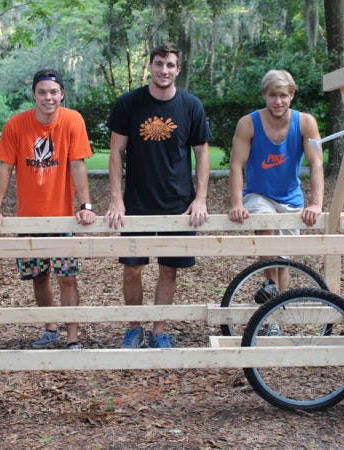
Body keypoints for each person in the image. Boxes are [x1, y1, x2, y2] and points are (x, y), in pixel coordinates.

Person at [104, 43, 211, 349]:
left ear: (178, 70)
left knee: (168, 268)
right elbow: (115, 153)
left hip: (177, 202)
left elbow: (202, 154)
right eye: (159, 63)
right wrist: (116, 199)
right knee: (132, 268)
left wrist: (200, 198)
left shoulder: (191, 106)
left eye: (170, 65)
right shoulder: (128, 104)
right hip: (137, 202)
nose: (164, 70)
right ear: (150, 66)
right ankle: (135, 328)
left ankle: (159, 330)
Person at [0, 68, 96, 350]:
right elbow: (6, 166)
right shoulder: (16, 125)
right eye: (42, 92)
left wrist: (85, 205)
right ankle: (50, 328)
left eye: (54, 92)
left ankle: (72, 337)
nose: (48, 97)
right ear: (33, 95)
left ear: (62, 94)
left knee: (67, 276)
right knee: (39, 275)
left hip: (62, 218)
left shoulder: (72, 120)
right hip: (28, 219)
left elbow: (78, 164)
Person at [227, 69, 324, 329]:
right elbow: (236, 165)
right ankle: (270, 286)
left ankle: (273, 318)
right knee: (264, 220)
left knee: (283, 260)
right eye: (272, 96)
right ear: (264, 96)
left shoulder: (305, 123)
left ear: (292, 95)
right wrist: (237, 204)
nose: (278, 101)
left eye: (283, 95)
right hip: (258, 194)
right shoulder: (248, 123)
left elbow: (316, 164)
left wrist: (316, 204)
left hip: (291, 197)